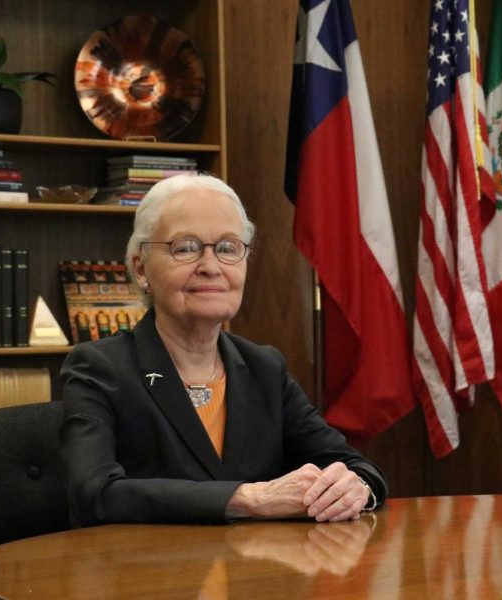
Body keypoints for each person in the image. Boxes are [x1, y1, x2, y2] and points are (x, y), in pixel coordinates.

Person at [59, 173, 387, 525]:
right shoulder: (100, 368)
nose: (211, 267)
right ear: (141, 269)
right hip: (153, 574)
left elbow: (354, 465)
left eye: (229, 248)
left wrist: (356, 488)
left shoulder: (264, 366)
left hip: (254, 574)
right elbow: (93, 494)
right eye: (185, 248)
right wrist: (247, 498)